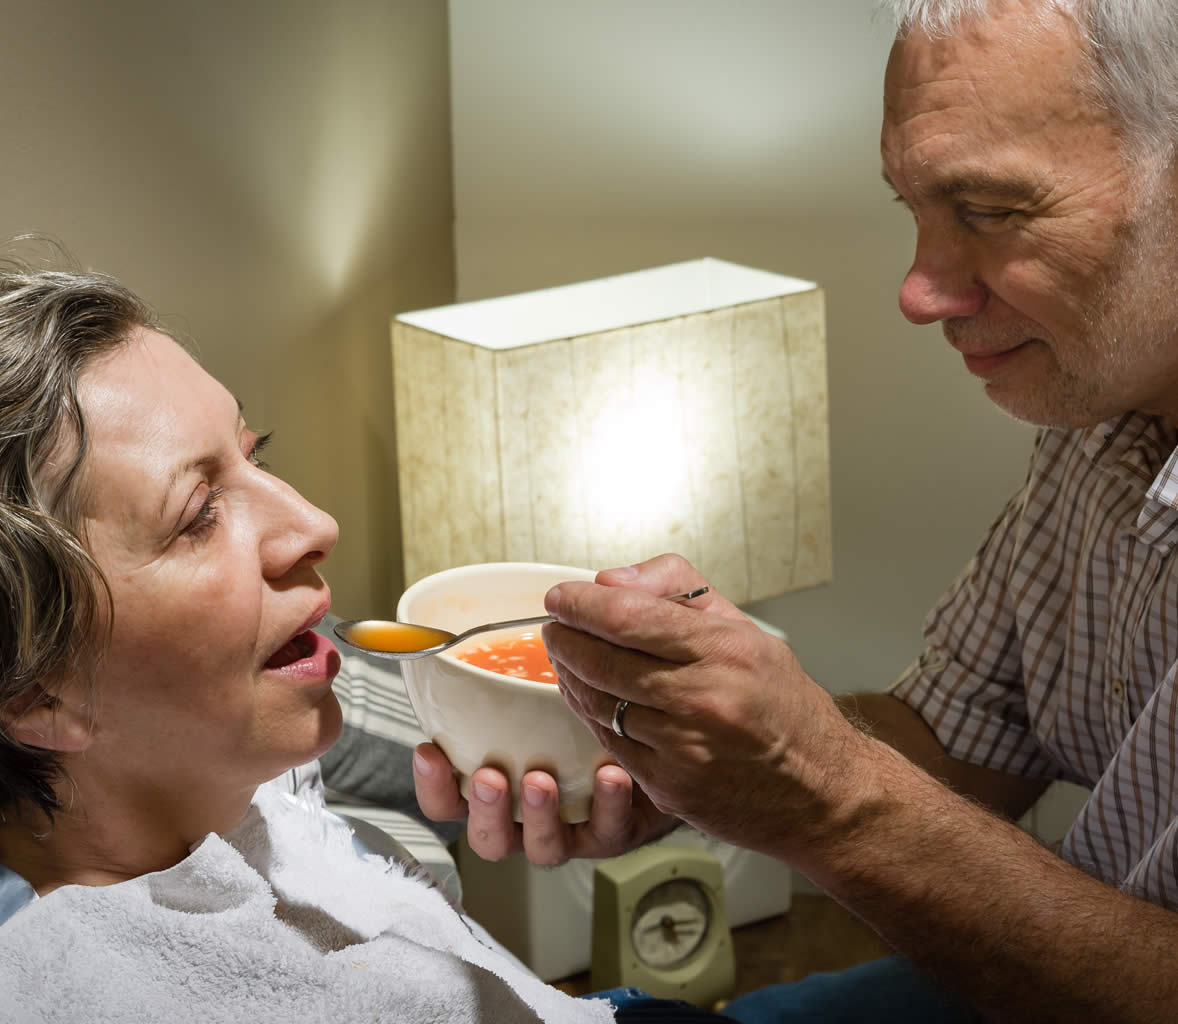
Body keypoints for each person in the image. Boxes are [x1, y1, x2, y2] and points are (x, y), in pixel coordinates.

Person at [414, 1, 1178, 1021]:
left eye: (988, 211)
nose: (917, 291)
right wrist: (702, 757)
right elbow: (960, 740)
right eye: (912, 208)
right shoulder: (1100, 416)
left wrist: (824, 792)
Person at [0, 262, 649, 1022]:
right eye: (200, 513)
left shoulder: (263, 767)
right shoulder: (80, 990)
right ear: (41, 692)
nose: (316, 525)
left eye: (255, 453)